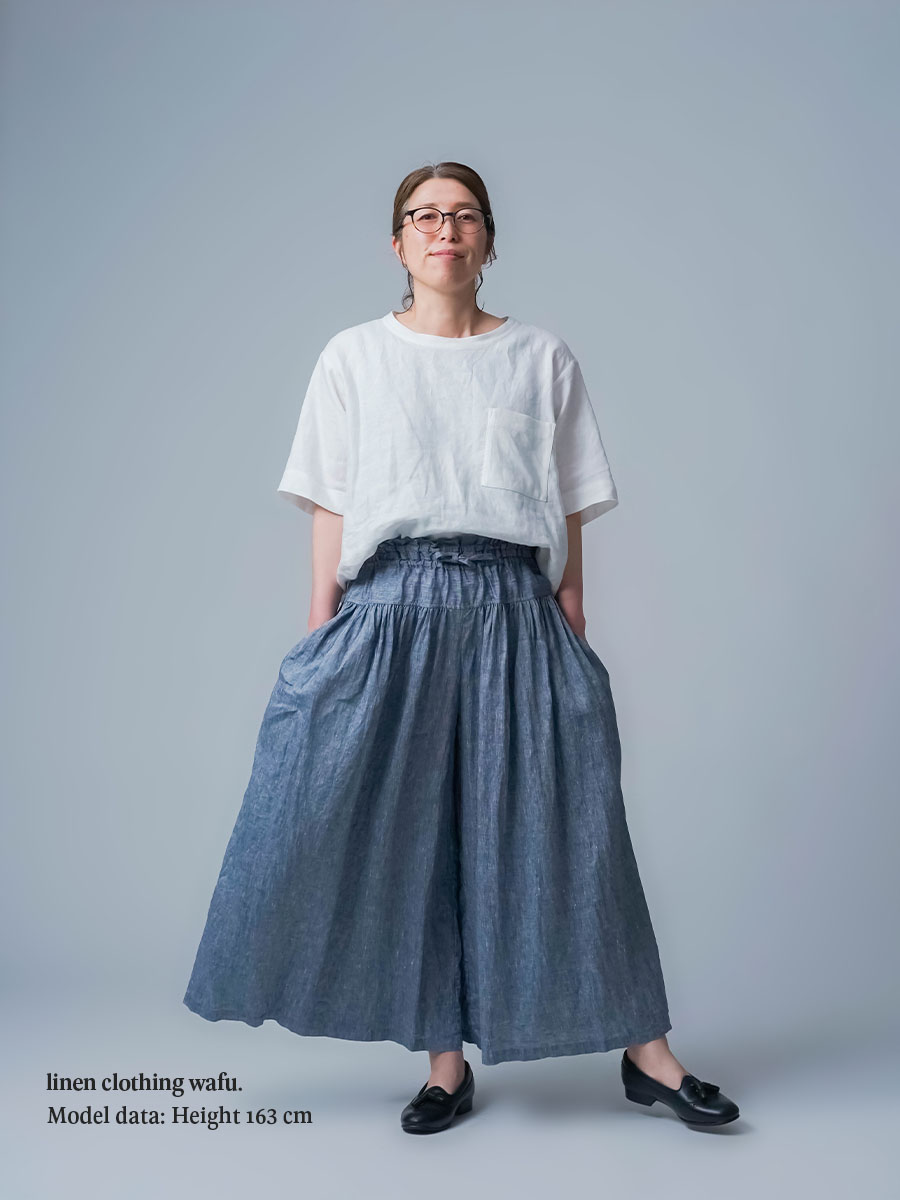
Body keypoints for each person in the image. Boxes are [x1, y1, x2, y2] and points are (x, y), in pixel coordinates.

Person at [182, 161, 740, 1134]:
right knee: (412, 838)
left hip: (514, 606)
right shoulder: (354, 357)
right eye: (425, 215)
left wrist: (572, 615)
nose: (446, 229)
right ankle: (446, 1064)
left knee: (579, 831)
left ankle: (647, 1053)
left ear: (489, 241)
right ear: (397, 243)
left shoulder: (540, 357)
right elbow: (331, 500)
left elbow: (570, 501)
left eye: (465, 215)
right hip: (389, 606)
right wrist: (321, 630)